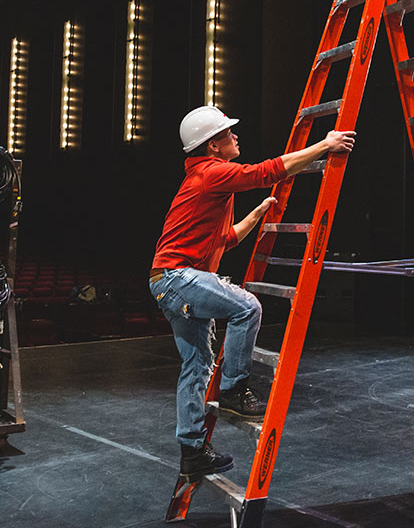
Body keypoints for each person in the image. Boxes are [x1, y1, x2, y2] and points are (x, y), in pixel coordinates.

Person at [149, 105, 355, 478]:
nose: (236, 137)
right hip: (178, 278)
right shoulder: (212, 174)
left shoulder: (205, 178)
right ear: (213, 146)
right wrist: (325, 145)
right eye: (229, 133)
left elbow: (224, 240)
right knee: (247, 307)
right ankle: (233, 389)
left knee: (196, 367)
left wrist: (255, 215)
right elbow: (266, 172)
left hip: (168, 281)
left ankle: (192, 451)